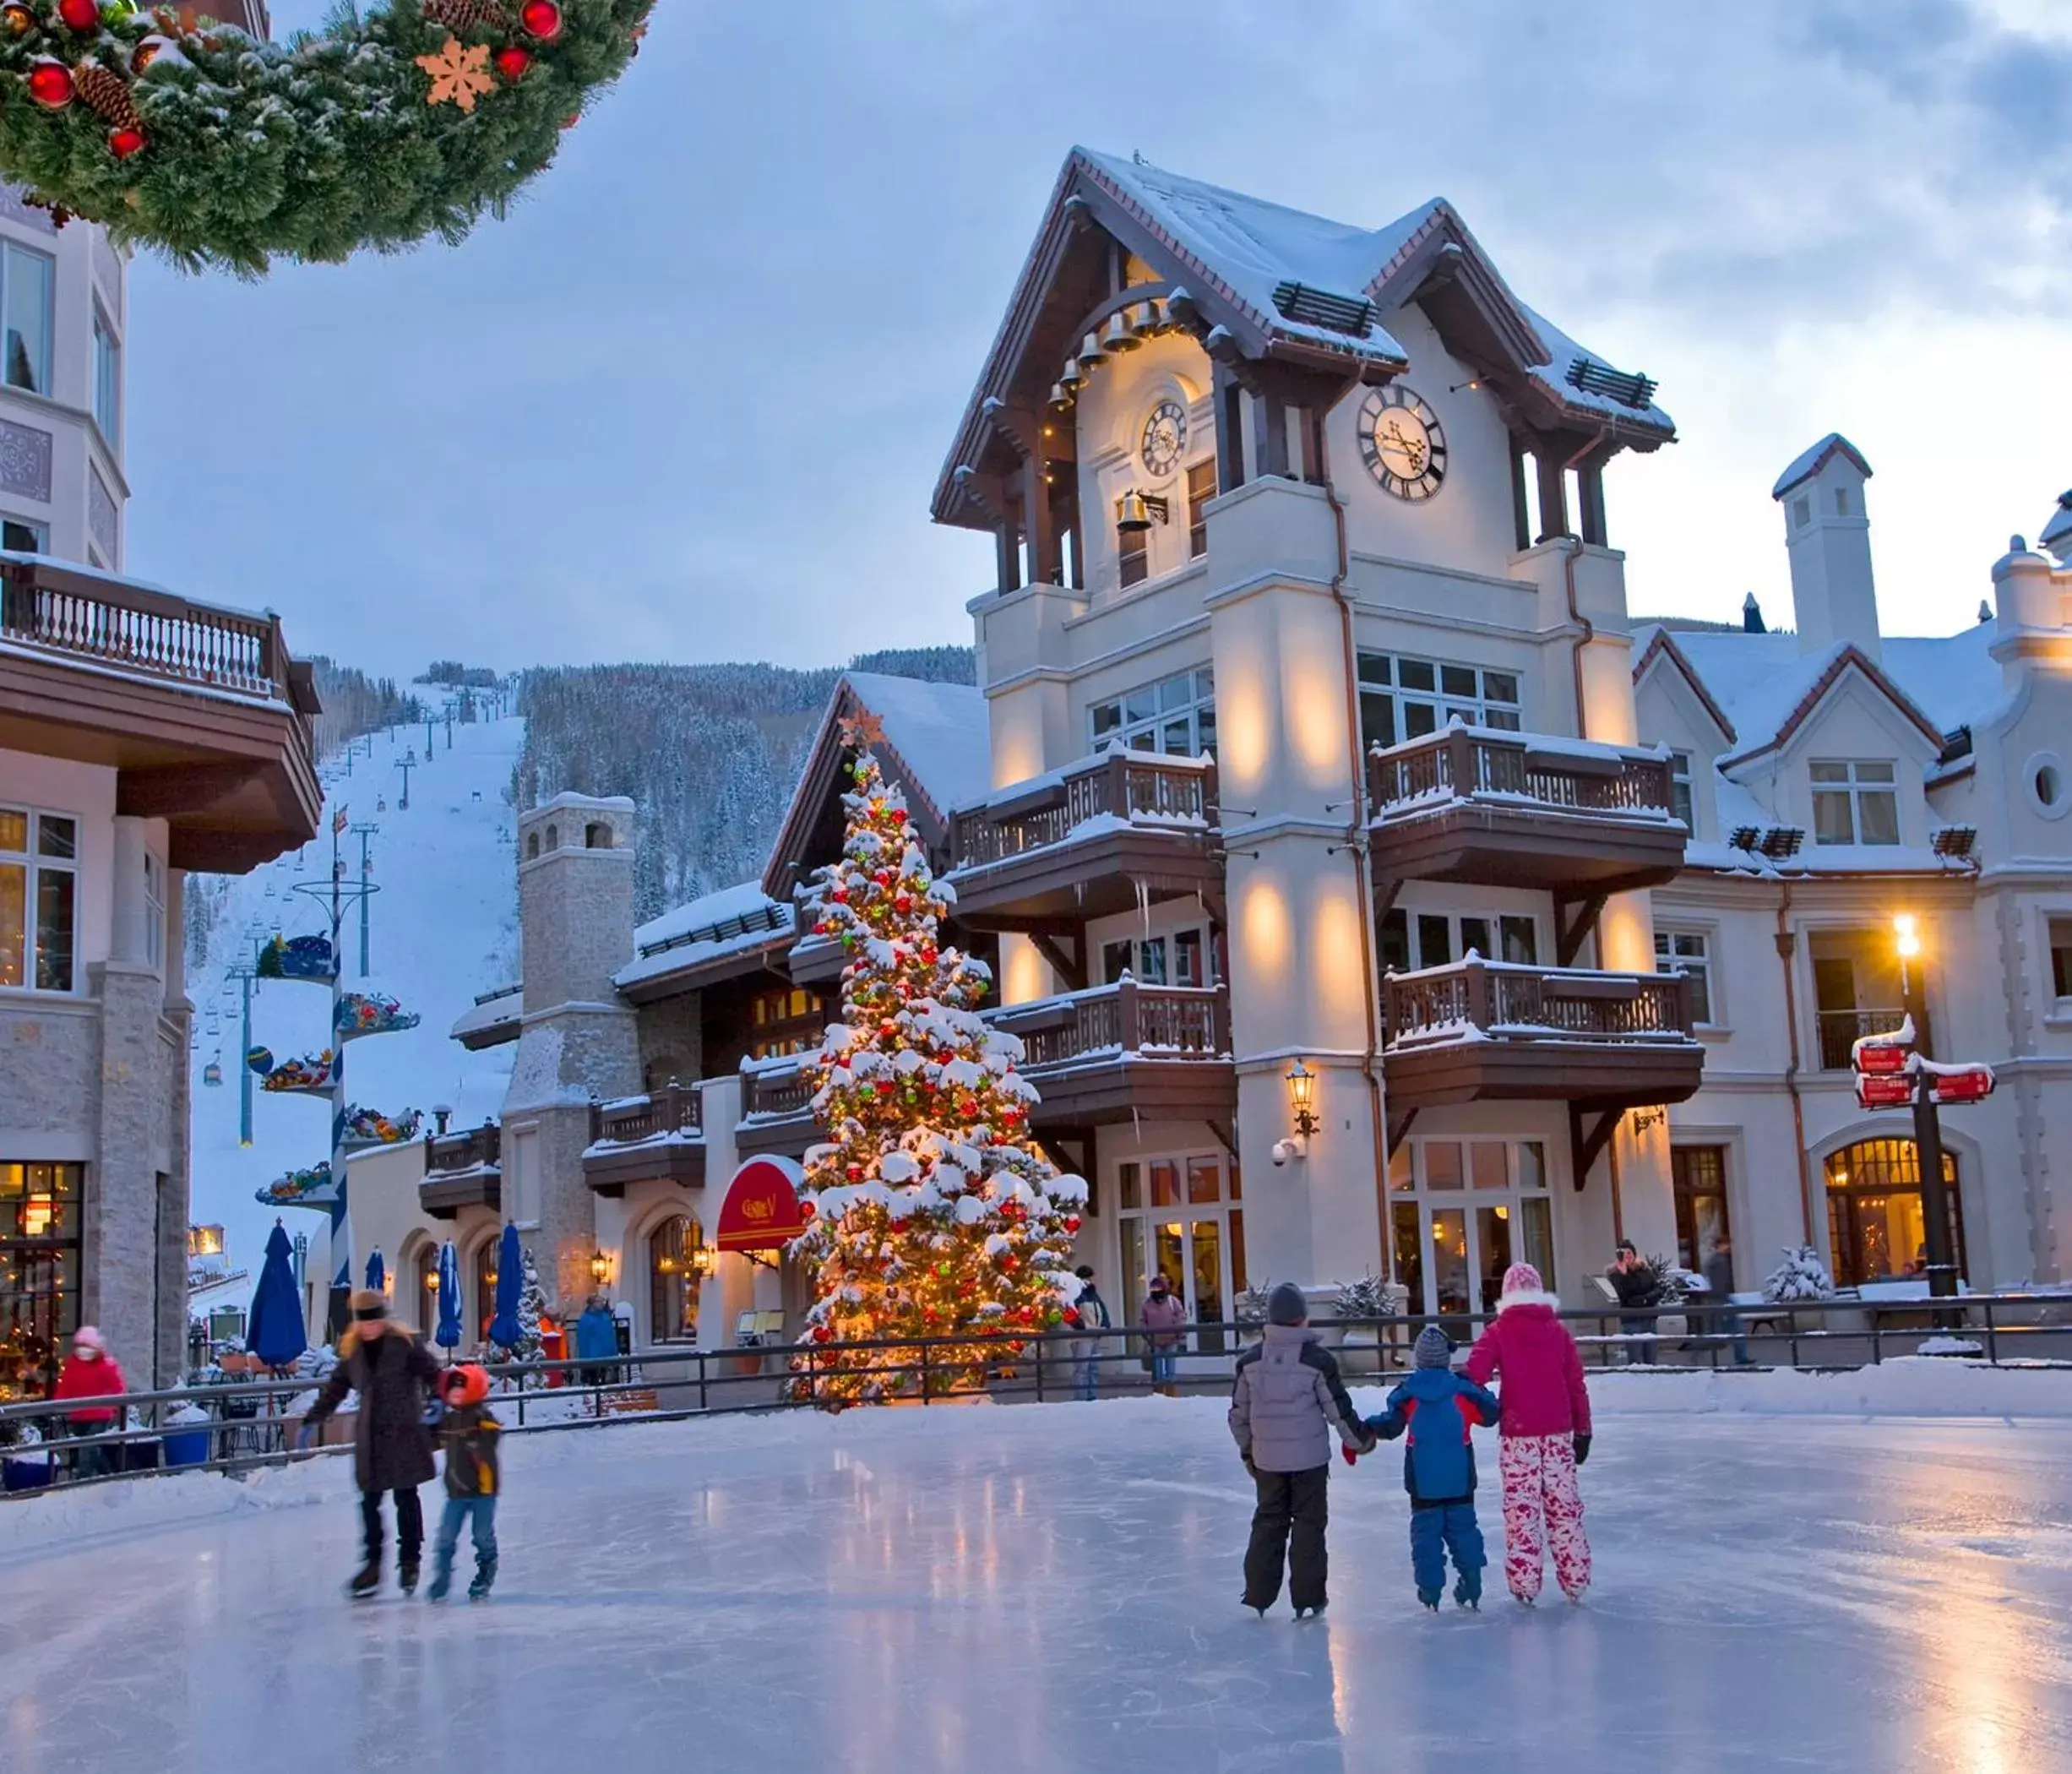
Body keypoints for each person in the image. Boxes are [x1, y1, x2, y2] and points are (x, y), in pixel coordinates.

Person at [1227, 1282, 1374, 1619]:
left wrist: (1248, 1452)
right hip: (1309, 1463)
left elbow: (1238, 1416)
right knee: (1308, 1527)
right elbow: (1339, 1411)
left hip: (1267, 1461)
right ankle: (1308, 1599)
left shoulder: (1249, 1362)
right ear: (1303, 1319)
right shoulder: (1317, 1361)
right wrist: (1361, 1442)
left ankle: (1259, 1595)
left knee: (1268, 1522)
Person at [1464, 1262, 1592, 1606]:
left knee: (1522, 1511)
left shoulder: (1498, 1330)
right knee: (1564, 1509)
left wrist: (1485, 1408)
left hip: (1518, 1433)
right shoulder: (1559, 1331)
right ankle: (1576, 1579)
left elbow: (1473, 1375)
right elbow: (1575, 1384)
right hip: (1558, 1434)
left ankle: (1524, 1584)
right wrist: (1583, 1429)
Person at [301, 1288, 442, 1598]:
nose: (371, 1328)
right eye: (365, 1323)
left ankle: (410, 1561)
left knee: (406, 1497)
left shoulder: (406, 1345)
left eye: (375, 1321)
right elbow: (335, 1389)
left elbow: (434, 1374)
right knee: (369, 1503)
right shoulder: (354, 1354)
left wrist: (439, 1401)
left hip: (404, 1431)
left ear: (384, 1320)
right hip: (372, 1437)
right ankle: (373, 1565)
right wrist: (314, 1417)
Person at [1364, 1325, 1500, 1611]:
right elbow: (1491, 1413)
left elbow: (1391, 1425)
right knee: (1464, 1530)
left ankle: (1430, 1590)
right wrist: (1474, 1384)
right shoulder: (1462, 1390)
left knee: (1426, 1535)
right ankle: (1471, 1579)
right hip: (1460, 1478)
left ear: (1419, 1359)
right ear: (1446, 1359)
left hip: (1423, 1481)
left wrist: (1365, 1428)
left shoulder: (1408, 1393)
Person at [427, 1363, 502, 1602]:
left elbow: (493, 1437)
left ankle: (486, 1569)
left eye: (461, 1390)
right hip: (457, 1490)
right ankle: (442, 1577)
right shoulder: (448, 1420)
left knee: (481, 1535)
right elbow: (432, 1440)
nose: (456, 1395)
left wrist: (480, 1437)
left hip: (483, 1490)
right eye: (452, 1391)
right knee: (446, 1536)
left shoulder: (482, 1417)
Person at [53, 1326, 127, 1479]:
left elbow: (117, 1388)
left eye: (87, 1346)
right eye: (80, 1346)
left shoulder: (107, 1366)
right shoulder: (72, 1365)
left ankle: (82, 1479)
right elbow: (65, 1387)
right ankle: (109, 1475)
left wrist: (112, 1407)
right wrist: (57, 1404)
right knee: (91, 1448)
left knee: (89, 1446)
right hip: (79, 1415)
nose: (83, 1350)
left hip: (100, 1413)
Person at [1703, 1233, 1751, 1367]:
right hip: (1721, 1298)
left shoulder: (1717, 1260)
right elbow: (1718, 1282)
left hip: (1722, 1297)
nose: (1729, 1247)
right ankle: (1738, 1357)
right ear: (1721, 1245)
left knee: (1731, 1328)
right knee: (1733, 1328)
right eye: (1726, 1244)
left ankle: (1737, 1356)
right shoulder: (1718, 1261)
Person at [1606, 1241, 1657, 1365]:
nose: (1627, 1256)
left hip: (1650, 1319)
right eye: (1623, 1253)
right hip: (1632, 1321)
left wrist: (1646, 1299)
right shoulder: (1616, 1274)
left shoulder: (1645, 1270)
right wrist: (1624, 1275)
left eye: (1629, 1252)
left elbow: (1657, 1289)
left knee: (1651, 1359)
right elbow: (1625, 1295)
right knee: (1636, 1360)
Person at [1140, 1274, 1188, 1396]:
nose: (1156, 1293)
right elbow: (1143, 1320)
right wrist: (1146, 1334)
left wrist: (1179, 1332)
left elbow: (1181, 1316)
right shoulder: (1147, 1303)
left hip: (1171, 1339)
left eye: (1159, 1289)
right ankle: (1158, 1393)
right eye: (1154, 1290)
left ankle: (1171, 1394)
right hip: (1155, 1340)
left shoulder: (1173, 1301)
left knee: (1170, 1369)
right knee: (1158, 1369)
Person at [1069, 1265, 1109, 1401]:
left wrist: (1105, 1326)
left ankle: (1092, 1396)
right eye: (1087, 1278)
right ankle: (1080, 1399)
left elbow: (1102, 1311)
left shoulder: (1093, 1294)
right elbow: (1071, 1314)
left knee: (1094, 1368)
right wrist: (1082, 1327)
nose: (1089, 1280)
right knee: (1082, 1369)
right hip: (1082, 1337)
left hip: (1095, 1335)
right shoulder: (1075, 1295)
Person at [574, 1293, 619, 1386]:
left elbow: (611, 1337)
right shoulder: (586, 1320)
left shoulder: (606, 1318)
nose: (602, 1303)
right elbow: (583, 1342)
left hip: (607, 1360)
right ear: (592, 1304)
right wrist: (586, 1363)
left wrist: (614, 1355)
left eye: (602, 1301)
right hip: (592, 1361)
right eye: (599, 1301)